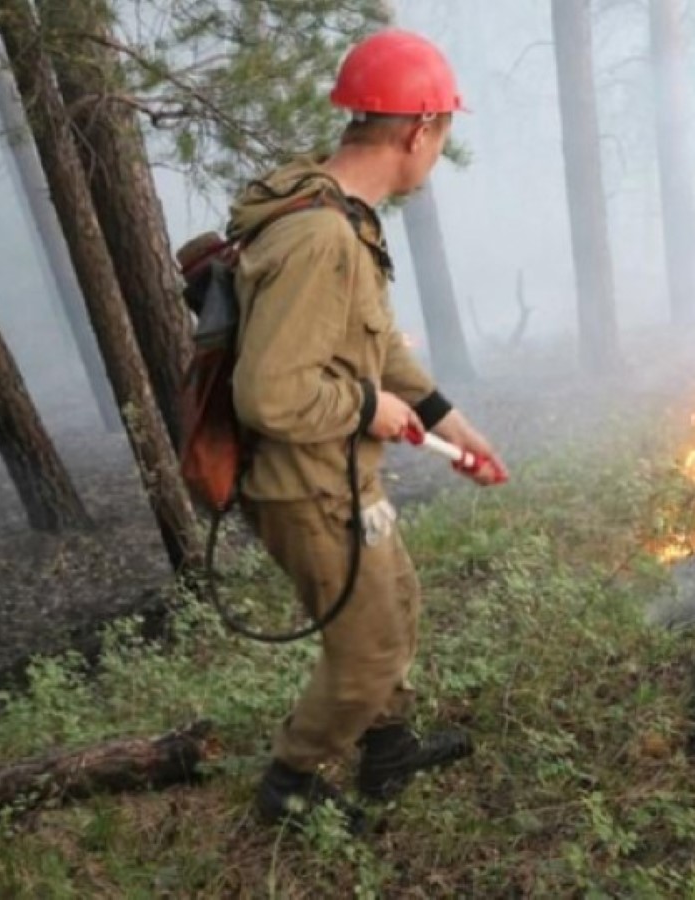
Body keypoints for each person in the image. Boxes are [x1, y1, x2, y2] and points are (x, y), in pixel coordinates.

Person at [228, 28, 508, 829]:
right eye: (443, 131)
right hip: (307, 487)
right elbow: (268, 394)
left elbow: (373, 342)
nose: (437, 150)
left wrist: (447, 420)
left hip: (343, 474)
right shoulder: (322, 237)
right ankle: (288, 788)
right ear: (419, 131)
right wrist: (364, 407)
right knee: (367, 652)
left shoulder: (339, 209)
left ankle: (388, 751)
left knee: (398, 600)